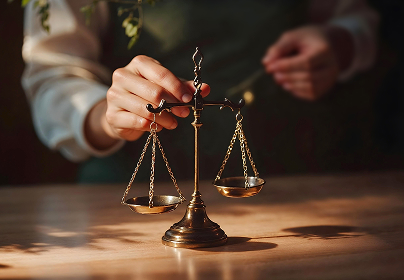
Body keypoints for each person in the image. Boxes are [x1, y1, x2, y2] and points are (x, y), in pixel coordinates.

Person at [22, 0, 379, 182]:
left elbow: (359, 18)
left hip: (294, 176)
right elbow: (53, 75)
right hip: (121, 204)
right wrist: (107, 113)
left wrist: (340, 44)